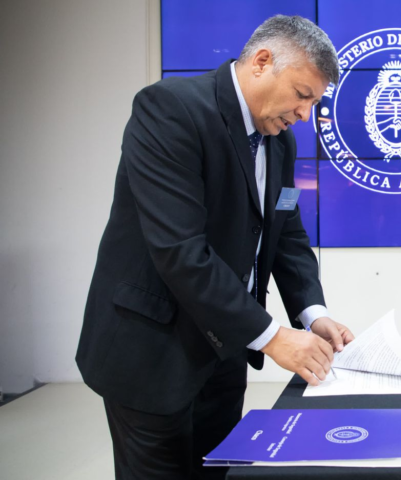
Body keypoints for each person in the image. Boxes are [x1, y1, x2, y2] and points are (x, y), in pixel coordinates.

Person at [76, 15, 354, 479]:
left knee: (218, 471)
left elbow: (286, 233)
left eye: (314, 102)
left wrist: (312, 313)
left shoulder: (279, 141)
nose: (305, 115)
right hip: (152, 351)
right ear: (262, 62)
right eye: (302, 95)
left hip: (225, 348)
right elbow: (181, 251)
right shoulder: (171, 110)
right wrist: (273, 337)